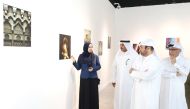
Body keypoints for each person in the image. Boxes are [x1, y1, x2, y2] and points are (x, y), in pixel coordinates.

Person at [129, 39, 161, 109]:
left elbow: (147, 76)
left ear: (148, 48)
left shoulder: (155, 62)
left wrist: (135, 72)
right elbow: (130, 71)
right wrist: (141, 73)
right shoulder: (138, 59)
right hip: (138, 91)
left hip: (149, 93)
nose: (139, 49)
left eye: (141, 47)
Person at [71, 42, 101, 109]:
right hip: (84, 80)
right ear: (85, 47)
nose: (91, 48)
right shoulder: (81, 56)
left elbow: (99, 66)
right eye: (89, 47)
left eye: (92, 47)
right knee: (85, 97)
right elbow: (78, 67)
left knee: (93, 96)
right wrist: (74, 62)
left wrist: (93, 69)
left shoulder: (95, 56)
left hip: (93, 79)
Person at [159, 42, 189, 109]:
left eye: (173, 49)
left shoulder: (186, 61)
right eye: (169, 49)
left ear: (179, 50)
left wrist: (176, 64)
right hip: (165, 88)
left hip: (177, 88)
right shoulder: (164, 60)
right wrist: (175, 74)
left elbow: (186, 72)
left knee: (177, 104)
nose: (170, 51)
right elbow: (161, 73)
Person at [112, 40, 138, 109]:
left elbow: (137, 69)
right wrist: (113, 80)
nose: (121, 47)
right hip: (119, 81)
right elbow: (114, 67)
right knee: (118, 97)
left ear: (127, 45)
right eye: (120, 45)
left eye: (123, 45)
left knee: (127, 98)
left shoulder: (134, 55)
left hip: (129, 82)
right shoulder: (118, 54)